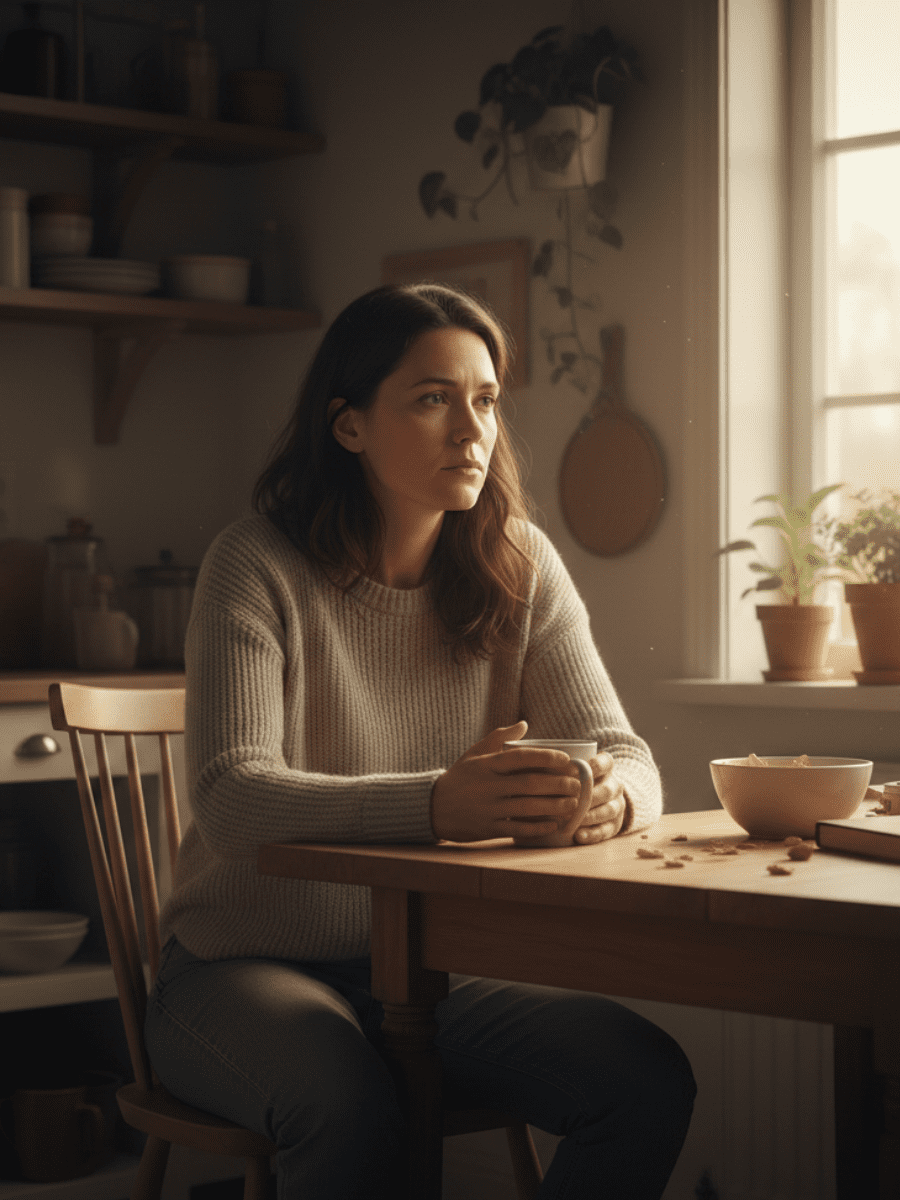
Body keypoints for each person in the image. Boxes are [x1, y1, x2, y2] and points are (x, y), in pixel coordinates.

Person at [145, 283, 696, 1199]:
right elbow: (236, 796)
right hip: (237, 967)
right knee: (346, 1101)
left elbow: (629, 754)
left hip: (430, 978)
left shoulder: (519, 563)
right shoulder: (255, 563)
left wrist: (608, 798)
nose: (471, 430)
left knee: (643, 1077)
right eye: (433, 398)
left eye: (484, 400)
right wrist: (439, 803)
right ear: (349, 425)